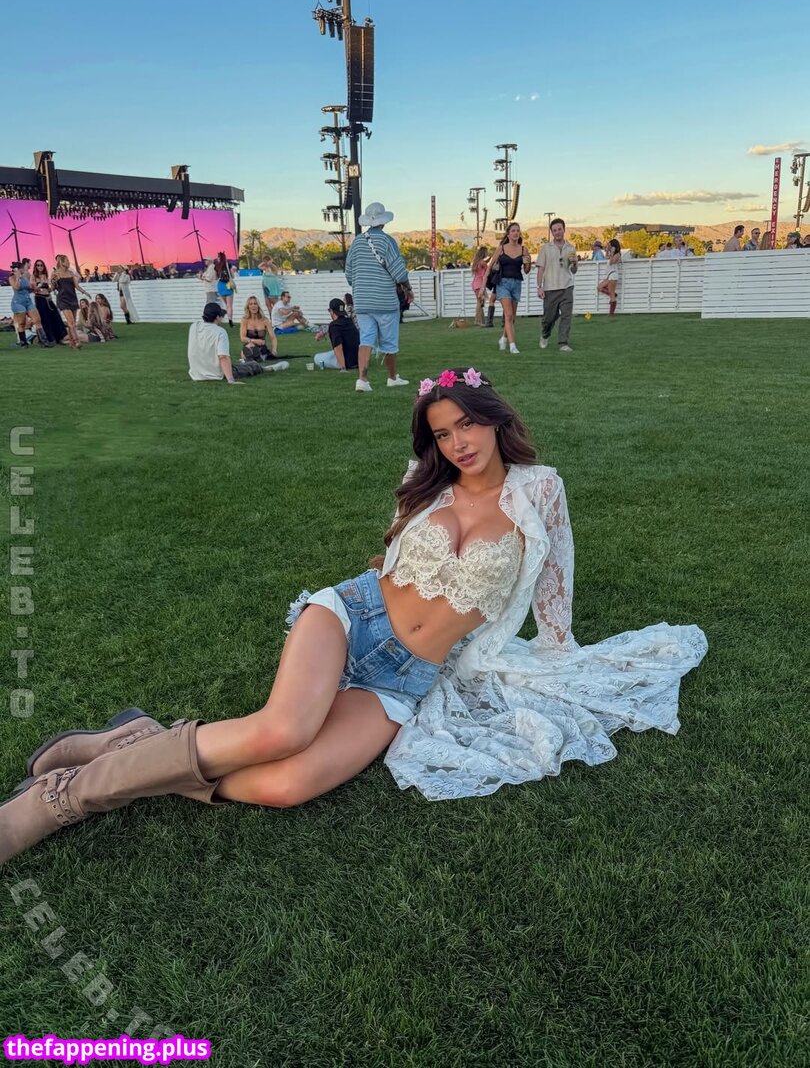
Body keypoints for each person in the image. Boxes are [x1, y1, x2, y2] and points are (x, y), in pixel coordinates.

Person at [0, 366, 708, 862]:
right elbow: (393, 556)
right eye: (442, 434)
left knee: (287, 784)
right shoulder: (424, 483)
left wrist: (558, 652)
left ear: (495, 419)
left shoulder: (541, 489)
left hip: (407, 676)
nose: (458, 443)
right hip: (352, 615)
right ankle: (61, 801)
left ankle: (138, 744)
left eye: (467, 424)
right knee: (282, 730)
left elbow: (555, 576)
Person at [344, 201, 413, 393]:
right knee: (389, 342)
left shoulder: (357, 242)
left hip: (362, 301)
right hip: (384, 300)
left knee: (366, 339)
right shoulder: (387, 241)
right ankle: (392, 377)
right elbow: (399, 272)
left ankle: (362, 380)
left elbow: (349, 273)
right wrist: (408, 289)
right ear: (383, 221)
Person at [187, 302, 287, 383]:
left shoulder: (194, 326)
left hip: (197, 374)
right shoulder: (220, 332)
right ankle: (268, 369)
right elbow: (223, 357)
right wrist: (231, 380)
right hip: (216, 373)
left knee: (242, 364)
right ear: (217, 317)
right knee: (253, 365)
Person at [483, 223, 531, 355]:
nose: (516, 233)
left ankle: (503, 338)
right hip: (503, 283)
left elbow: (526, 270)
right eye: (513, 231)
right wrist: (483, 287)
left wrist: (528, 263)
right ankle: (512, 346)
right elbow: (489, 267)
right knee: (508, 315)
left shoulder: (524, 250)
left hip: (517, 283)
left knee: (512, 318)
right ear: (508, 234)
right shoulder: (501, 248)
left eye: (518, 231)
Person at [536, 217, 578, 353]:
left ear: (564, 230)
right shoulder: (545, 248)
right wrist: (539, 287)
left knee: (566, 316)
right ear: (552, 232)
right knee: (549, 318)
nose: (557, 232)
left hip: (567, 286)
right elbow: (541, 269)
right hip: (550, 288)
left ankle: (563, 343)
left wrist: (575, 263)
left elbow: (573, 270)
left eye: (559, 229)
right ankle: (545, 334)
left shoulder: (571, 248)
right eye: (554, 230)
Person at [52, 254, 92, 349]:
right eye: (67, 261)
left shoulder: (70, 273)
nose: (69, 263)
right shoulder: (56, 273)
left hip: (72, 298)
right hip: (63, 299)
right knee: (71, 322)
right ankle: (77, 341)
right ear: (62, 263)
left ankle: (71, 342)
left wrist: (85, 292)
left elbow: (76, 286)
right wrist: (53, 282)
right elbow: (53, 288)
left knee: (72, 323)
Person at [9, 259, 50, 347]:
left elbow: (30, 289)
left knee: (37, 320)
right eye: (21, 268)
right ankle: (23, 342)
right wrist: (18, 277)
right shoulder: (12, 278)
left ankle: (44, 341)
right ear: (18, 269)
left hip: (28, 301)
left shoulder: (24, 278)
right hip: (18, 302)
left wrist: (38, 287)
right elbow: (16, 287)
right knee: (22, 323)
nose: (23, 270)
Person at [313, 297, 360, 370]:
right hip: (357, 360)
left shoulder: (334, 325)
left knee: (317, 357)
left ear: (331, 311)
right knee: (331, 353)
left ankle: (342, 365)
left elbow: (338, 347)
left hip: (346, 362)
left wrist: (343, 368)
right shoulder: (350, 321)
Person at [31, 259, 68, 345]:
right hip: (40, 298)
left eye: (41, 265)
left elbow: (50, 289)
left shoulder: (45, 276)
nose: (40, 267)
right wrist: (40, 284)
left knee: (55, 316)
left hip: (48, 298)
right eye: (38, 265)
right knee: (45, 319)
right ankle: (50, 339)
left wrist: (53, 284)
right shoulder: (34, 276)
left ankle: (60, 337)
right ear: (35, 267)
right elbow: (33, 290)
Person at [239, 295, 278, 361]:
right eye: (251, 304)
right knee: (248, 348)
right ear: (248, 307)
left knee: (249, 352)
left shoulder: (265, 320)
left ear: (258, 306)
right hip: (249, 344)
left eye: (255, 304)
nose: (253, 306)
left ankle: (257, 356)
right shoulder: (244, 320)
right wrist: (254, 341)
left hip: (261, 346)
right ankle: (254, 356)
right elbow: (242, 338)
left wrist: (274, 349)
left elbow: (273, 337)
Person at [597, 239, 622, 316]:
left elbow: (611, 262)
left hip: (613, 275)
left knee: (611, 295)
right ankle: (614, 295)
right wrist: (607, 251)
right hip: (609, 275)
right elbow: (606, 257)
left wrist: (612, 253)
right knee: (599, 287)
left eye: (610, 246)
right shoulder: (612, 253)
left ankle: (611, 313)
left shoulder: (617, 254)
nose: (610, 247)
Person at [215, 252, 237, 326]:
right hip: (228, 285)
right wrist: (233, 270)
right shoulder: (228, 265)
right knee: (229, 305)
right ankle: (230, 320)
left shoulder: (216, 266)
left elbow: (216, 278)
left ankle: (224, 313)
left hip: (221, 286)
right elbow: (233, 276)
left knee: (226, 304)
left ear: (219, 258)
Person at [470, 246, 489, 326]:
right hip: (480, 284)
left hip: (475, 283)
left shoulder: (476, 262)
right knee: (480, 302)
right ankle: (479, 321)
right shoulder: (482, 262)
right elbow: (488, 269)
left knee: (480, 302)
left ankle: (481, 320)